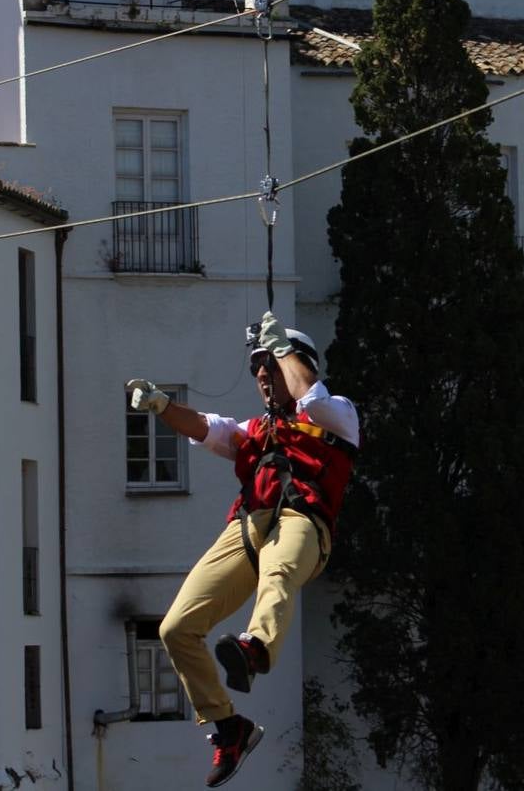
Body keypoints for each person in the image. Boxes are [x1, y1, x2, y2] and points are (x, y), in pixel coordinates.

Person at [125, 311, 359, 787]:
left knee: (278, 575)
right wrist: (160, 405)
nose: (263, 377)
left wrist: (283, 351)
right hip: (247, 527)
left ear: (298, 365)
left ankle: (256, 648)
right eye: (258, 370)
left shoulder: (337, 413)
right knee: (176, 628)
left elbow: (309, 396)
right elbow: (207, 428)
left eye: (270, 367)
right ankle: (229, 726)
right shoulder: (253, 429)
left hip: (301, 523)